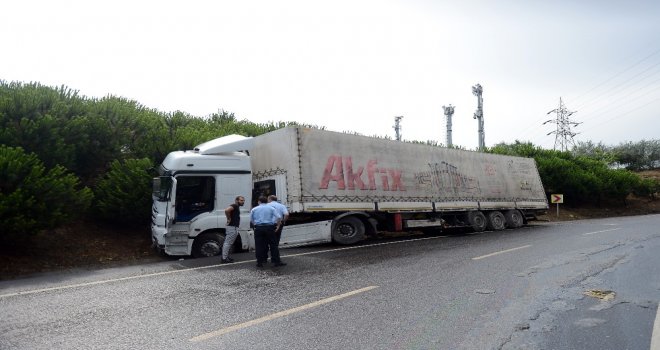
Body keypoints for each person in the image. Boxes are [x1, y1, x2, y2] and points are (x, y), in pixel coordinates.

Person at [250, 195, 284, 267]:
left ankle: (260, 262)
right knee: (273, 245)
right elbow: (278, 217)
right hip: (269, 227)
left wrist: (255, 225)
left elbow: (251, 220)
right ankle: (276, 261)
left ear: (259, 201)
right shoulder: (271, 208)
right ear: (267, 201)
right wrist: (278, 226)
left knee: (259, 245)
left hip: (258, 228)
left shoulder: (254, 209)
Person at [222, 196, 245, 263]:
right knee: (228, 243)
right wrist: (229, 219)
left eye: (243, 200)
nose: (243, 202)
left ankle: (225, 257)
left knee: (229, 243)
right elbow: (227, 210)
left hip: (233, 227)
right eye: (241, 200)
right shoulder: (234, 205)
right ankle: (224, 258)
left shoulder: (236, 207)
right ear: (236, 200)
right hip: (232, 227)